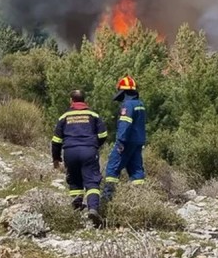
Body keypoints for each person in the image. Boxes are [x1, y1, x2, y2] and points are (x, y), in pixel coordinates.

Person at [51, 89, 108, 227]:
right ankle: (93, 208)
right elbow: (103, 135)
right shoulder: (93, 115)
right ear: (84, 100)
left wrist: (56, 158)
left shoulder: (64, 117)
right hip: (89, 150)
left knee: (74, 179)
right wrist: (95, 145)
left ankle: (77, 207)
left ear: (71, 100)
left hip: (70, 151)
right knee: (92, 180)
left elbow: (56, 140)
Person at [103, 75, 147, 201]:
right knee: (136, 170)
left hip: (126, 142)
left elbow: (125, 124)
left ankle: (107, 198)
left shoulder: (127, 105)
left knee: (113, 166)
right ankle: (140, 198)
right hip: (138, 142)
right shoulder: (140, 104)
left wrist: (121, 141)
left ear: (124, 91)